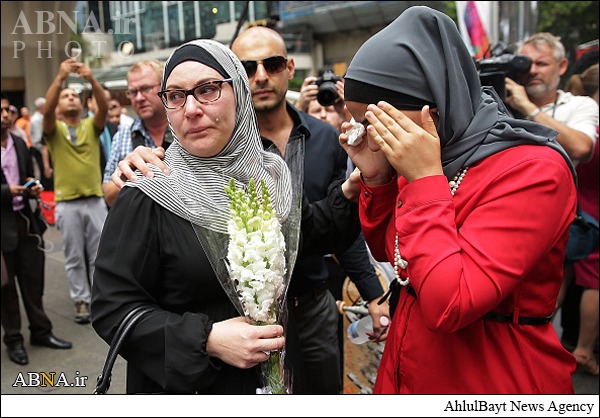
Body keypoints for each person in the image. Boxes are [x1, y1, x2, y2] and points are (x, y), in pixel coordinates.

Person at [91, 39, 362, 394]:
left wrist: (353, 189)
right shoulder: (149, 193)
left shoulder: (268, 174)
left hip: (276, 375)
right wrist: (209, 338)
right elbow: (112, 308)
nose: (190, 109)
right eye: (175, 96)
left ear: (239, 94)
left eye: (207, 90)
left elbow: (300, 236)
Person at [339, 5, 578, 394]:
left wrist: (423, 180)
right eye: (361, 122)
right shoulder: (433, 154)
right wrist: (379, 179)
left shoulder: (533, 169)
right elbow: (394, 254)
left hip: (491, 377)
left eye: (378, 121)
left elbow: (451, 303)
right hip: (411, 366)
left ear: (432, 107)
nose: (370, 135)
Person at [1, 97, 72, 365]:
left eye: (7, 111)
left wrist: (30, 187)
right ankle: (14, 340)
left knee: (33, 281)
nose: (5, 115)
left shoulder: (19, 142)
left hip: (25, 221)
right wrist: (11, 191)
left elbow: (24, 176)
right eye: (0, 112)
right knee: (6, 290)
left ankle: (42, 332)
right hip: (2, 224)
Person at [42, 58, 109, 324]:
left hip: (94, 200)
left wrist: (91, 79)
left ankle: (100, 300)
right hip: (67, 203)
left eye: (74, 95)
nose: (71, 98)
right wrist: (60, 78)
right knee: (73, 257)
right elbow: (46, 110)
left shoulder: (91, 126)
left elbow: (102, 105)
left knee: (98, 256)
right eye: (65, 96)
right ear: (59, 106)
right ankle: (81, 300)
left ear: (82, 104)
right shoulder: (53, 129)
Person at [505, 32, 598, 165]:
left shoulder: (580, 105)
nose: (532, 71)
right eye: (526, 64)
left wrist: (527, 108)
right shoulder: (503, 105)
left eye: (542, 64)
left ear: (562, 66)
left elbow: (581, 149)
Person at [563, 63, 599, 376]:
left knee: (567, 273)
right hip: (591, 211)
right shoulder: (589, 128)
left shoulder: (582, 122)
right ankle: (584, 350)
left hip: (579, 206)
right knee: (594, 280)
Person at [101, 60, 172, 208]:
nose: (139, 98)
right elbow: (108, 196)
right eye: (133, 92)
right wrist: (130, 172)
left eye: (146, 88)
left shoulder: (185, 128)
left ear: (164, 87)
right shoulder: (122, 137)